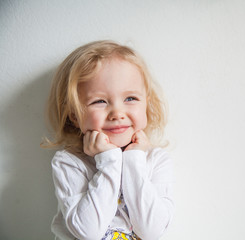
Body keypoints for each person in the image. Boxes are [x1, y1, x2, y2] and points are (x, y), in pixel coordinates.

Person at [42, 40, 174, 240]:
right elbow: (88, 232)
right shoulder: (69, 162)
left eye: (130, 98)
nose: (117, 113)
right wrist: (109, 161)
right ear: (75, 115)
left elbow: (152, 231)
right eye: (100, 101)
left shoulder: (156, 161)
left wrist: (134, 160)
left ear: (146, 104)